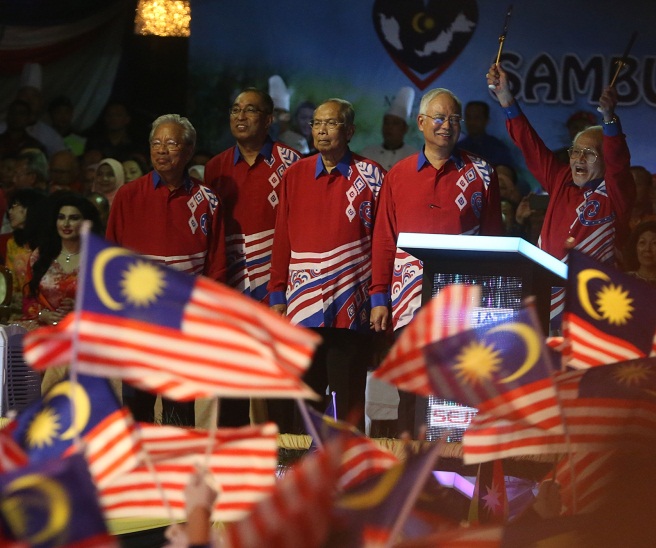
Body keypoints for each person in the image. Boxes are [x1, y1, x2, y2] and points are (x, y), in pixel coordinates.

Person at [268, 98, 384, 431]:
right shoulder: (295, 174)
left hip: (351, 303)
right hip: (302, 304)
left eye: (331, 123)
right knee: (306, 395)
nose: (321, 130)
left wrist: (379, 296)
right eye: (317, 123)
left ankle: (351, 462)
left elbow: (382, 242)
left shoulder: (372, 176)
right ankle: (303, 460)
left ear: (349, 131)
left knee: (348, 397)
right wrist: (277, 293)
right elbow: (282, 237)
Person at [106, 113, 226, 426]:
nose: (161, 150)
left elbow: (216, 265)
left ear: (189, 150)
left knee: (180, 411)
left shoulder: (207, 200)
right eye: (156, 143)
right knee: (137, 409)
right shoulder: (128, 195)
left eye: (171, 143)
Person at [204, 86, 302, 427]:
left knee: (278, 380)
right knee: (231, 380)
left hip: (278, 290)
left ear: (269, 119)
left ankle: (284, 451)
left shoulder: (292, 163)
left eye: (250, 110)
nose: (240, 116)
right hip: (232, 287)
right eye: (235, 110)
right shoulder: (215, 168)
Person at [370, 87, 503, 332]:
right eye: (439, 118)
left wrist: (490, 298)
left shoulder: (482, 172)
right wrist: (379, 297)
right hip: (408, 300)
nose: (447, 126)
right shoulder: (397, 175)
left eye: (454, 119)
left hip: (462, 301)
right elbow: (384, 241)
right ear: (421, 122)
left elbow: (493, 239)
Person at [486, 64, 635, 265]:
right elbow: (530, 145)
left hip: (592, 284)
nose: (579, 159)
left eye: (589, 153)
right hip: (547, 281)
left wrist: (609, 119)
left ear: (605, 158)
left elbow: (618, 161)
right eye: (576, 152)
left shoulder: (614, 192)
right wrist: (504, 97)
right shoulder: (560, 179)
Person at [22, 192, 101, 327]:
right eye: (61, 217)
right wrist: (43, 315)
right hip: (43, 328)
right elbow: (28, 299)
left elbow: (110, 304)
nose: (66, 224)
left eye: (74, 218)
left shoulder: (98, 259)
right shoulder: (41, 255)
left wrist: (80, 307)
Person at [3, 189, 46, 318]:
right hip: (20, 309)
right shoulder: (13, 243)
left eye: (15, 206)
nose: (10, 212)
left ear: (30, 208)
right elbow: (10, 284)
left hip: (48, 308)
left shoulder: (50, 243)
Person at [360, 86, 418, 171]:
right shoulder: (367, 153)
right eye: (386, 122)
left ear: (405, 128)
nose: (389, 127)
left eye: (395, 123)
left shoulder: (414, 157)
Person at [458, 100, 515, 168]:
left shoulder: (497, 148)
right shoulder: (458, 148)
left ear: (486, 119)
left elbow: (505, 172)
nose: (472, 122)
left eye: (477, 118)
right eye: (469, 117)